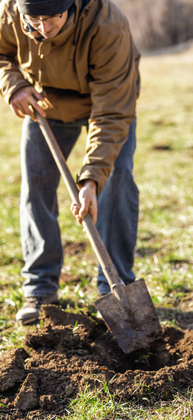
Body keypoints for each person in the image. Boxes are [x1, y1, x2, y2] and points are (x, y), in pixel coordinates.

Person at [0, 0, 141, 324]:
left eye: (52, 19)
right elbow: (2, 55)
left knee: (115, 179)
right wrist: (14, 85)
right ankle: (40, 288)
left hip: (105, 106)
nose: (43, 29)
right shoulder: (11, 12)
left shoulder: (108, 26)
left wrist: (90, 179)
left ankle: (115, 286)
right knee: (36, 183)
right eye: (34, 20)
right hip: (45, 104)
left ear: (71, 7)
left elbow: (112, 112)